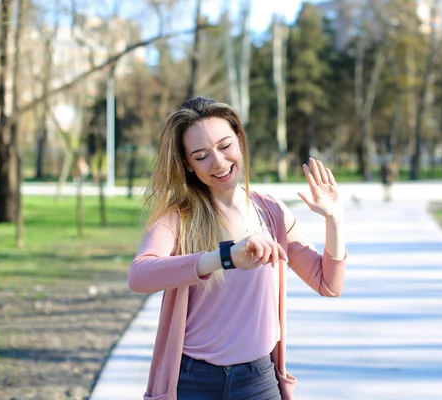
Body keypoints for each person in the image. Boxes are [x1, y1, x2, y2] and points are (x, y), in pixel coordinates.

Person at [127, 97, 347, 400]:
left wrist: (334, 220)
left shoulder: (272, 213)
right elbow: (139, 276)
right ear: (188, 166)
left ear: (240, 142)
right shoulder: (179, 218)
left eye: (225, 145)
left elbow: (328, 283)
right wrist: (225, 257)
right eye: (201, 155)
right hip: (194, 380)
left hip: (258, 379)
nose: (218, 162)